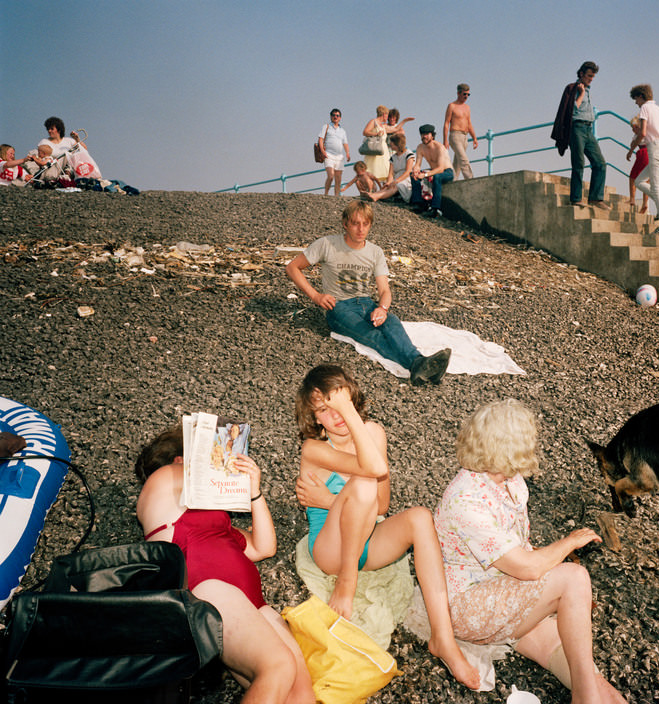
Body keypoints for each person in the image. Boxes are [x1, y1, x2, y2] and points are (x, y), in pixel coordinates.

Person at [293, 364, 480, 690]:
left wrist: (327, 497)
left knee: (421, 517)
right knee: (364, 484)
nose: (336, 416)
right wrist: (334, 503)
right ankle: (347, 583)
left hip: (367, 538)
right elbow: (372, 472)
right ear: (314, 418)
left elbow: (381, 506)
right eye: (325, 410)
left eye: (341, 404)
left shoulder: (374, 433)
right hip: (330, 549)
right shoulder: (315, 449)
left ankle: (443, 638)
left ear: (353, 397)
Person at [434, 400, 628, 704]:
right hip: (469, 605)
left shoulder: (509, 479)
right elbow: (527, 568)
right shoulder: (466, 500)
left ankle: (587, 694)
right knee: (574, 579)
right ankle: (584, 699)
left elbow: (520, 549)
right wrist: (568, 543)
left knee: (593, 679)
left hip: (505, 591)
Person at [134, 426, 315, 704]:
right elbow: (199, 475)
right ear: (181, 458)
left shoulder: (219, 524)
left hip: (252, 606)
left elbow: (264, 547)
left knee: (301, 695)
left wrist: (255, 493)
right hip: (206, 591)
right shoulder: (163, 482)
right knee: (278, 666)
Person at [285, 200, 451, 385]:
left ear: (370, 225)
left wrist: (382, 308)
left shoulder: (375, 252)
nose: (360, 229)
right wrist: (315, 296)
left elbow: (385, 290)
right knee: (372, 335)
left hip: (366, 303)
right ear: (345, 223)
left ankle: (421, 365)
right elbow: (292, 267)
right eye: (355, 223)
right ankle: (417, 364)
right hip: (338, 306)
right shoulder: (327, 244)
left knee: (392, 322)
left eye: (365, 224)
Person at [551, 61, 608, 210]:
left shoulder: (588, 89)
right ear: (581, 74)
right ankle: (576, 198)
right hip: (576, 128)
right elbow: (572, 111)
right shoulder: (573, 88)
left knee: (600, 163)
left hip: (588, 129)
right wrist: (581, 94)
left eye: (593, 76)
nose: (591, 79)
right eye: (589, 75)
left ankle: (596, 198)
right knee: (578, 163)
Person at [626, 84, 659, 235]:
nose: (635, 102)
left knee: (656, 188)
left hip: (655, 149)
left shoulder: (645, 108)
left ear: (641, 96)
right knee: (639, 181)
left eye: (636, 99)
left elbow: (643, 132)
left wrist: (632, 148)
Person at [410, 124, 454, 218]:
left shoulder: (439, 147)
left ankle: (435, 209)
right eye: (422, 134)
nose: (424, 136)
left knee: (437, 177)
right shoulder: (420, 147)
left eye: (426, 134)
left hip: (447, 172)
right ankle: (419, 204)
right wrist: (416, 171)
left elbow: (441, 168)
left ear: (432, 135)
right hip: (433, 170)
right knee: (413, 175)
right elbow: (418, 164)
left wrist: (425, 174)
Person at [362, 106, 412, 183]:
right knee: (373, 171)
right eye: (388, 115)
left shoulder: (382, 125)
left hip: (383, 152)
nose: (389, 117)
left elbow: (396, 129)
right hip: (377, 150)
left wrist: (404, 121)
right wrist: (376, 134)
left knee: (386, 172)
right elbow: (365, 132)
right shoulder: (374, 121)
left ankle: (385, 190)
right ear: (384, 114)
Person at [363, 133, 415, 203]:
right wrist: (389, 182)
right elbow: (391, 174)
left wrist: (396, 181)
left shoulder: (409, 154)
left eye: (392, 142)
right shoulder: (393, 157)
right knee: (387, 186)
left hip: (406, 179)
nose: (390, 143)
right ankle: (373, 195)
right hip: (397, 178)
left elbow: (408, 172)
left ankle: (376, 197)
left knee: (396, 185)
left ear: (397, 144)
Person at [443, 83, 478, 180]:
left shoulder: (467, 108)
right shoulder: (452, 106)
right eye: (464, 94)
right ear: (458, 93)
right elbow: (446, 123)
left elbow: (469, 124)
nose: (466, 96)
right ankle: (470, 179)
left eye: (468, 94)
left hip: (465, 137)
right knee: (464, 159)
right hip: (455, 135)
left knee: (458, 162)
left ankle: (452, 180)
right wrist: (445, 140)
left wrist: (474, 138)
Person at [318, 109, 351, 196]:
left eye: (337, 115)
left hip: (339, 157)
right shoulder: (326, 126)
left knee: (338, 178)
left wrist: (347, 153)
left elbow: (345, 143)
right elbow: (320, 139)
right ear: (331, 116)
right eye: (333, 115)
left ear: (340, 118)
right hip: (328, 154)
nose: (335, 117)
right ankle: (326, 193)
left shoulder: (343, 131)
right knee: (331, 176)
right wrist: (322, 151)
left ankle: (336, 196)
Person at [627, 117, 649, 214]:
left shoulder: (639, 135)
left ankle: (632, 199)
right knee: (646, 180)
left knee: (632, 176)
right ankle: (644, 203)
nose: (632, 130)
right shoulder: (646, 133)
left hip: (643, 154)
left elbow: (632, 144)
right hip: (649, 153)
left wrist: (630, 151)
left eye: (633, 128)